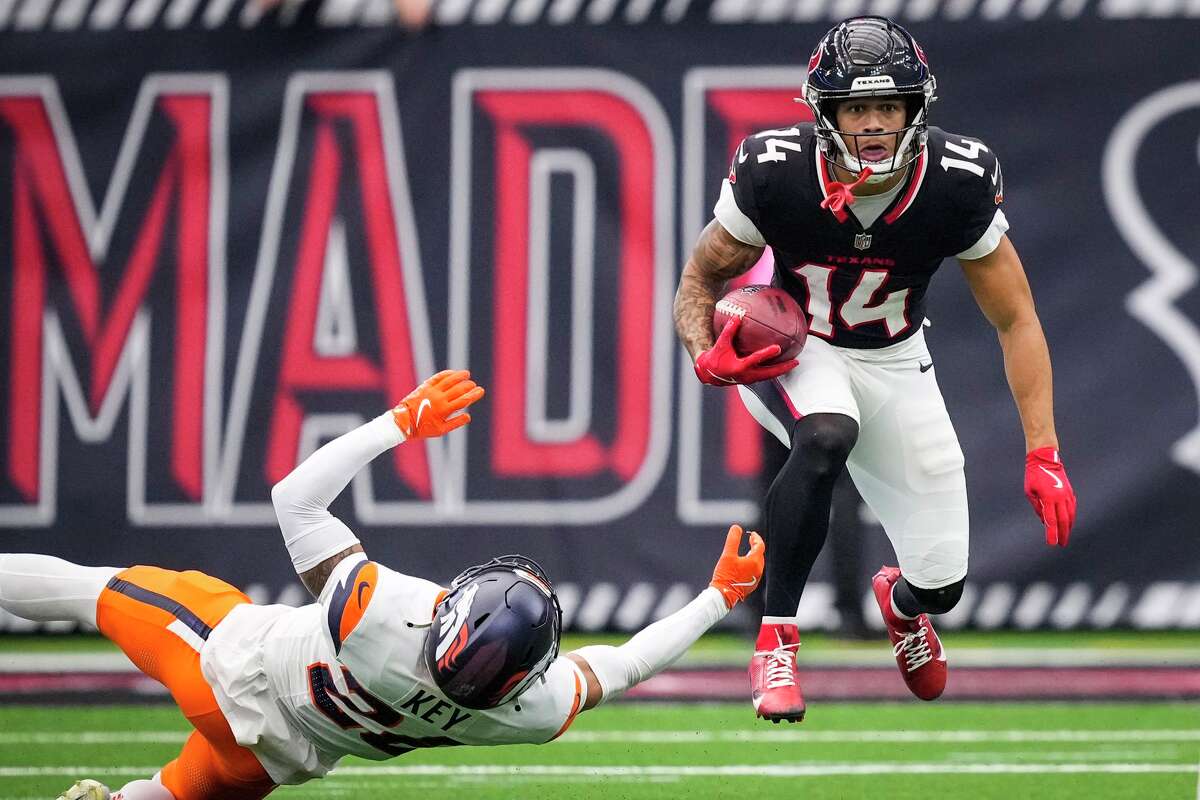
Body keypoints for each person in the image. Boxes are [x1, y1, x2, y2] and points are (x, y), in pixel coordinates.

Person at [0, 370, 764, 800]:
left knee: (90, 589)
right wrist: (719, 598)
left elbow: (294, 498)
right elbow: (624, 665)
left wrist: (399, 424)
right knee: (168, 799)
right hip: (277, 761)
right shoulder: (531, 710)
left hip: (227, 669)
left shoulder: (378, 616)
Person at [673, 16, 1077, 723]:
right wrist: (703, 353)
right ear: (826, 113)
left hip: (895, 356)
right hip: (801, 344)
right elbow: (699, 282)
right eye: (857, 107)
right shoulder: (776, 169)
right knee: (827, 434)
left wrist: (1043, 451)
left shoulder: (955, 182)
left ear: (914, 110)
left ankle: (901, 603)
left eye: (888, 106)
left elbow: (1017, 320)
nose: (873, 125)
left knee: (943, 581)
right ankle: (776, 644)